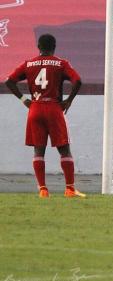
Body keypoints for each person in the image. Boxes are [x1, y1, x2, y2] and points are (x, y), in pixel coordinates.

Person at [4, 34, 84, 198]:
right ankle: (69, 189)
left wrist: (23, 99)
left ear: (38, 47)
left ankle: (43, 190)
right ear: (54, 46)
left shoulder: (28, 63)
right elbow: (78, 81)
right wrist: (68, 101)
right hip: (53, 107)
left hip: (35, 108)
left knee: (38, 150)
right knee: (64, 149)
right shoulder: (61, 63)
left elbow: (9, 81)